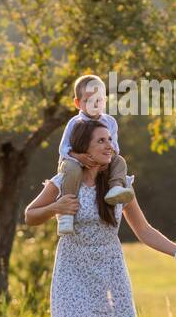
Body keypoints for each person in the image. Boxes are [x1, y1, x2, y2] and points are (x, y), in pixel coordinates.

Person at [24, 117, 176, 317]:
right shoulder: (62, 182)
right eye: (101, 141)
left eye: (110, 140)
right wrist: (55, 208)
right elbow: (30, 215)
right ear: (83, 147)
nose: (109, 146)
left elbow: (144, 230)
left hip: (110, 273)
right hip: (72, 273)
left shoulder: (119, 186)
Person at [54, 73, 135, 235]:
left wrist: (109, 157)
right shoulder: (75, 123)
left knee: (120, 161)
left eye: (98, 100)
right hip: (73, 161)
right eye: (88, 101)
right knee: (73, 169)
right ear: (78, 103)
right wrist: (79, 157)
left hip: (102, 161)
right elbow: (64, 149)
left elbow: (114, 146)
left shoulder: (110, 122)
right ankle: (66, 215)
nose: (94, 104)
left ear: (105, 100)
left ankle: (115, 188)